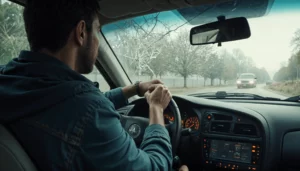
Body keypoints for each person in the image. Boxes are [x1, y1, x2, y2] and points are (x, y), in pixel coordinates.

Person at [0, 0, 188, 171]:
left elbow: (70, 109)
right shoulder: (89, 113)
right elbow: (155, 167)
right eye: (98, 30)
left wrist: (134, 88)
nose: (97, 41)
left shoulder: (11, 80)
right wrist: (156, 109)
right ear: (81, 32)